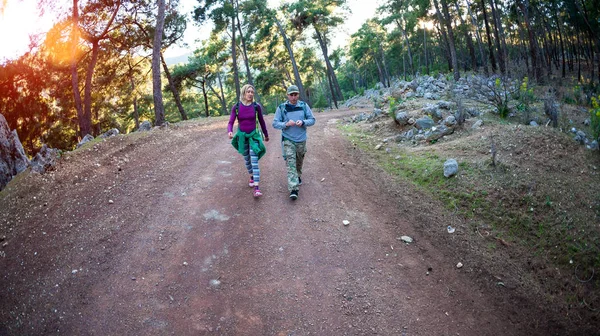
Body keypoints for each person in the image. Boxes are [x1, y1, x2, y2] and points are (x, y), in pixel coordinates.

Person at [272, 85, 316, 200]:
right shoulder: (282, 108)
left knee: (299, 161)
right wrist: (285, 124)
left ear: (298, 95)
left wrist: (303, 122)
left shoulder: (304, 106)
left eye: (295, 94)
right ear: (287, 95)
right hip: (288, 139)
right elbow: (275, 123)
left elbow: (312, 120)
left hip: (301, 139)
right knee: (290, 163)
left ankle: (298, 175)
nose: (293, 97)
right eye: (291, 95)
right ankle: (293, 189)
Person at [228, 84, 269, 197]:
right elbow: (231, 122)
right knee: (247, 160)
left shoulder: (256, 106)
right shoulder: (236, 107)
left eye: (252, 92)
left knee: (254, 160)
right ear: (243, 93)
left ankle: (257, 187)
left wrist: (266, 134)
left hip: (254, 136)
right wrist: (230, 131)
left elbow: (262, 121)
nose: (250, 94)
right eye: (248, 92)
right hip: (242, 136)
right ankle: (251, 176)